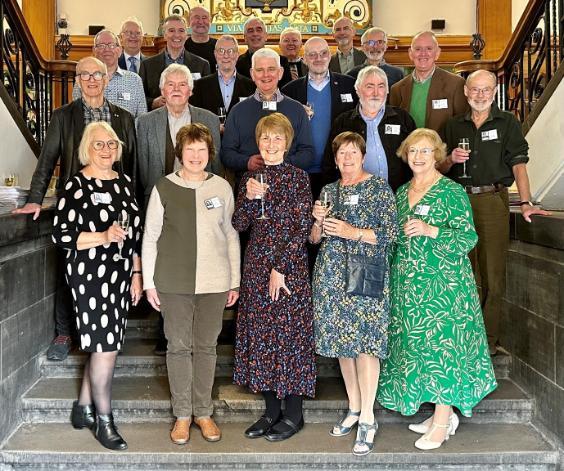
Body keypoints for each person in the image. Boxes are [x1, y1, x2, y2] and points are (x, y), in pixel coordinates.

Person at [377, 128, 498, 450]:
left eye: (425, 151)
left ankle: (443, 422)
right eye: (413, 151)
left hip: (444, 287)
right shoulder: (401, 192)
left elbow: (468, 237)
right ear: (406, 154)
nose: (418, 157)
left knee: (444, 350)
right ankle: (439, 414)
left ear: (437, 156)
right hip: (409, 289)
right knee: (420, 353)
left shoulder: (451, 192)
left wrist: (432, 230)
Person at [13, 56, 137, 362]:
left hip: (114, 209)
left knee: (114, 271)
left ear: (107, 78)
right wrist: (34, 199)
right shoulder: (63, 116)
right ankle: (66, 332)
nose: (92, 79)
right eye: (85, 75)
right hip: (78, 207)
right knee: (69, 273)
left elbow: (132, 167)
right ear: (78, 82)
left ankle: (106, 330)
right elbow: (47, 161)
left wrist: (135, 208)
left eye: (97, 74)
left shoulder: (123, 117)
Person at [142, 123, 240, 445]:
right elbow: (151, 237)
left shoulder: (222, 188)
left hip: (215, 281)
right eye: (190, 149)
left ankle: (203, 412)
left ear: (209, 153)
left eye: (201, 150)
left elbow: (230, 235)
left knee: (207, 347)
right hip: (173, 281)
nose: (196, 156)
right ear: (180, 153)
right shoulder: (163, 187)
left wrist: (234, 281)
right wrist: (149, 283)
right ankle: (182, 414)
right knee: (178, 346)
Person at [441, 69, 551, 355]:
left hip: (492, 201)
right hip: (457, 204)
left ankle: (486, 341)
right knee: (463, 272)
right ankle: (461, 336)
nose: (480, 95)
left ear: (494, 92)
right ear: (465, 92)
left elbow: (519, 165)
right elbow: (438, 167)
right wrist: (449, 159)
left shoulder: (507, 123)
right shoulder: (453, 126)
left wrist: (526, 202)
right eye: (475, 89)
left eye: (485, 90)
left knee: (492, 273)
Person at [52, 121, 143, 450]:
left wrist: (136, 272)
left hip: (119, 275)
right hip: (89, 275)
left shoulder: (124, 182)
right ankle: (105, 420)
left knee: (105, 344)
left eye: (111, 144)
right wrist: (103, 236)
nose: (106, 150)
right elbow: (61, 235)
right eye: (99, 144)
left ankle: (82, 408)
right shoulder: (77, 184)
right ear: (86, 149)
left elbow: (132, 233)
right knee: (105, 348)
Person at [310, 131, 397, 456]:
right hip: (331, 274)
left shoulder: (377, 187)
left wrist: (352, 232)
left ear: (362, 156)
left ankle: (369, 418)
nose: (347, 159)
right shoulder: (328, 190)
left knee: (365, 345)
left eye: (352, 153)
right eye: (341, 154)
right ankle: (355, 408)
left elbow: (390, 234)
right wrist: (317, 222)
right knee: (342, 345)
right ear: (335, 159)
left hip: (365, 271)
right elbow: (315, 240)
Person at [232, 113, 316, 442]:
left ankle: (293, 413)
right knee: (263, 335)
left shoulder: (298, 178)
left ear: (287, 142)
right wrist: (250, 199)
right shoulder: (249, 179)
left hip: (289, 267)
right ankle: (270, 411)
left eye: (277, 138)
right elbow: (239, 224)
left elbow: (301, 229)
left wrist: (280, 267)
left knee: (290, 337)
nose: (270, 144)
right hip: (256, 266)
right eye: (265, 139)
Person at [137, 63, 222, 355]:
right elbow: (140, 169)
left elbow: (218, 166)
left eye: (182, 84)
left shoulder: (208, 119)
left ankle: (198, 331)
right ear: (162, 90)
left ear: (191, 89)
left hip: (201, 202)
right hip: (161, 201)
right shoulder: (145, 122)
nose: (176, 90)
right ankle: (169, 329)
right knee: (167, 264)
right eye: (170, 85)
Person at [221, 48, 314, 189]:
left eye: (271, 69)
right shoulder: (238, 111)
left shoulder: (297, 110)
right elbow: (226, 153)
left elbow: (308, 152)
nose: (265, 75)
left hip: (289, 189)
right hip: (249, 190)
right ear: (252, 74)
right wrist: (247, 162)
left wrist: (281, 162)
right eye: (260, 70)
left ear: (280, 72)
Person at [282, 37, 357, 199]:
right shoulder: (290, 91)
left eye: (323, 53)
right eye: (313, 54)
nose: (318, 59)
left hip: (339, 170)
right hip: (301, 171)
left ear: (330, 56)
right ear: (305, 59)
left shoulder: (349, 85)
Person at [324, 66, 415, 191]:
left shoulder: (402, 118)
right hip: (357, 196)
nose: (376, 93)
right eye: (370, 86)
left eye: (381, 86)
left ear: (387, 90)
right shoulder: (343, 122)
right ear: (357, 90)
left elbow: (415, 157)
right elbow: (330, 163)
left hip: (398, 194)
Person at [389, 31, 468, 133]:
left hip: (442, 148)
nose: (423, 53)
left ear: (437, 53)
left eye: (429, 49)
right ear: (410, 54)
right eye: (418, 49)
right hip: (409, 148)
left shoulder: (456, 84)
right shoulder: (397, 89)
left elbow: (463, 125)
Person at [140, 14, 210, 111]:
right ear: (164, 35)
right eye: (171, 30)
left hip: (192, 121)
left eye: (181, 31)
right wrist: (153, 102)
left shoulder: (202, 65)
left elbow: (207, 99)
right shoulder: (147, 65)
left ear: (186, 35)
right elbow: (139, 98)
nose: (176, 35)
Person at [72, 30, 147, 118]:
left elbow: (142, 118)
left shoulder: (134, 80)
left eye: (112, 45)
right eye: (101, 45)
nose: (107, 49)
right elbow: (76, 115)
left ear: (119, 51)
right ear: (94, 51)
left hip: (126, 131)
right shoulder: (84, 79)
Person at [190, 35, 256, 121]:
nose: (226, 55)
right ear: (215, 54)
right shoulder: (199, 86)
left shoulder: (251, 86)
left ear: (237, 55)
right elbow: (195, 119)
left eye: (230, 51)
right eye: (221, 51)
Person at [235, 18, 293, 86]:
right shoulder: (237, 63)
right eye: (250, 31)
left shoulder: (282, 61)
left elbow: (286, 91)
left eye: (259, 30)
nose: (255, 34)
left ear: (266, 36)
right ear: (245, 38)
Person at [185, 6, 217, 71]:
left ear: (210, 21)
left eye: (204, 18)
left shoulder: (219, 46)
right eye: (196, 17)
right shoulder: (182, 47)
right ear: (189, 22)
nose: (200, 22)